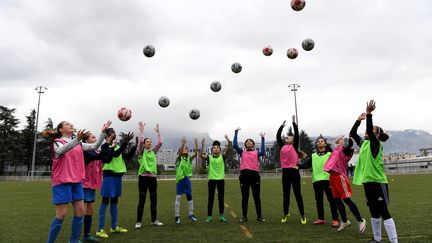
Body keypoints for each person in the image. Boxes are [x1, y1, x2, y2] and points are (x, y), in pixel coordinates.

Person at [44, 120, 110, 243]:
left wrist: (102, 133)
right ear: (61, 130)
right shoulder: (57, 143)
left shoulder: (78, 143)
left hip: (76, 181)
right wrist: (77, 140)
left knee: (80, 212)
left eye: (71, 124)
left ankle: (73, 241)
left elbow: (94, 146)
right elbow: (61, 150)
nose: (71, 125)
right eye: (67, 124)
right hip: (61, 182)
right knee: (61, 214)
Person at [350, 100, 398, 243]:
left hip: (378, 182)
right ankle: (377, 240)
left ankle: (394, 241)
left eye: (370, 131)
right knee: (373, 212)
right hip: (368, 183)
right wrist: (358, 120)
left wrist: (369, 114)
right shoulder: (364, 143)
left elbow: (370, 132)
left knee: (384, 212)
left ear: (376, 135)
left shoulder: (375, 143)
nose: (366, 132)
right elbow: (352, 133)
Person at [96, 128, 136, 238]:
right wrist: (125, 143)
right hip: (109, 176)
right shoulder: (105, 147)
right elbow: (115, 154)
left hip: (118, 176)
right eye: (111, 132)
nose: (113, 133)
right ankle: (100, 229)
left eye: (114, 131)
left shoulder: (118, 146)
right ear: (106, 135)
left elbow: (126, 157)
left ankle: (114, 227)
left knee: (115, 201)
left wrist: (134, 147)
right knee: (105, 200)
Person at [323, 136, 367, 233]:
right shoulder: (338, 148)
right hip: (332, 177)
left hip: (340, 177)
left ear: (345, 143)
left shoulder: (346, 150)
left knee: (346, 200)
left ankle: (360, 220)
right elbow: (334, 143)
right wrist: (340, 139)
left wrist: (349, 138)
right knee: (337, 200)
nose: (339, 141)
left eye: (342, 140)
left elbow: (348, 144)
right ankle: (344, 221)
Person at [299, 134, 339, 227]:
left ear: (325, 144)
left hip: (328, 180)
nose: (320, 142)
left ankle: (335, 219)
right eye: (318, 141)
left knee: (332, 200)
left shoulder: (330, 154)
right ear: (316, 145)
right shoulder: (313, 156)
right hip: (316, 181)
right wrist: (297, 166)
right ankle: (321, 218)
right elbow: (306, 165)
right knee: (319, 201)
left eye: (322, 141)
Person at [277, 116, 307, 224]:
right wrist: (281, 127)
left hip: (294, 172)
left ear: (293, 140)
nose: (287, 138)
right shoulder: (282, 146)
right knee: (286, 194)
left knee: (298, 194)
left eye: (290, 138)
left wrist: (294, 123)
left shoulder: (294, 146)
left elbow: (297, 134)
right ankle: (285, 213)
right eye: (287, 138)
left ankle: (302, 215)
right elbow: (277, 136)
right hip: (285, 172)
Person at [233, 127, 266, 222]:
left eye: (250, 141)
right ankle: (244, 216)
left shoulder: (256, 153)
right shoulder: (242, 152)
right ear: (245, 144)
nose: (248, 142)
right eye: (247, 141)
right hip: (244, 176)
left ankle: (259, 216)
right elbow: (235, 145)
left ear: (253, 144)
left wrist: (263, 139)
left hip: (255, 176)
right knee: (245, 197)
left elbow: (263, 152)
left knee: (256, 197)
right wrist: (236, 132)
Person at [135, 122, 164, 228]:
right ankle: (138, 222)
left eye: (150, 142)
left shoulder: (153, 152)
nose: (149, 143)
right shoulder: (141, 152)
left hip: (153, 179)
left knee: (154, 200)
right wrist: (142, 130)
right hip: (143, 178)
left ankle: (154, 220)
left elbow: (160, 143)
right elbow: (140, 141)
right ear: (144, 144)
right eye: (147, 142)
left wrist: (158, 132)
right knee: (142, 199)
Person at [200, 135, 232, 223]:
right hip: (212, 180)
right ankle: (209, 216)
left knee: (221, 198)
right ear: (212, 150)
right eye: (214, 148)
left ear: (220, 149)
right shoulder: (209, 157)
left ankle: (221, 216)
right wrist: (202, 145)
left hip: (221, 180)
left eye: (218, 147)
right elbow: (200, 155)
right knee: (211, 198)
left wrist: (229, 142)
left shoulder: (222, 157)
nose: (216, 149)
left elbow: (228, 150)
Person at [82, 133, 104, 242]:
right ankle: (75, 237)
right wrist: (107, 141)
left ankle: (87, 235)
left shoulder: (96, 152)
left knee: (90, 209)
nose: (95, 139)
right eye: (93, 137)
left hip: (92, 185)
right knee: (80, 210)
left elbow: (107, 157)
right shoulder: (86, 152)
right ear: (86, 140)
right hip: (84, 184)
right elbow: (97, 156)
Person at [174, 137, 198, 224]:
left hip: (187, 179)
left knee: (189, 195)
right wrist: (183, 144)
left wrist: (196, 144)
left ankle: (191, 214)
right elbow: (180, 154)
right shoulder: (178, 158)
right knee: (179, 197)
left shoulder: (189, 158)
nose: (186, 149)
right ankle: (177, 216)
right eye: (184, 148)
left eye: (186, 148)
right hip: (180, 180)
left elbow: (195, 154)